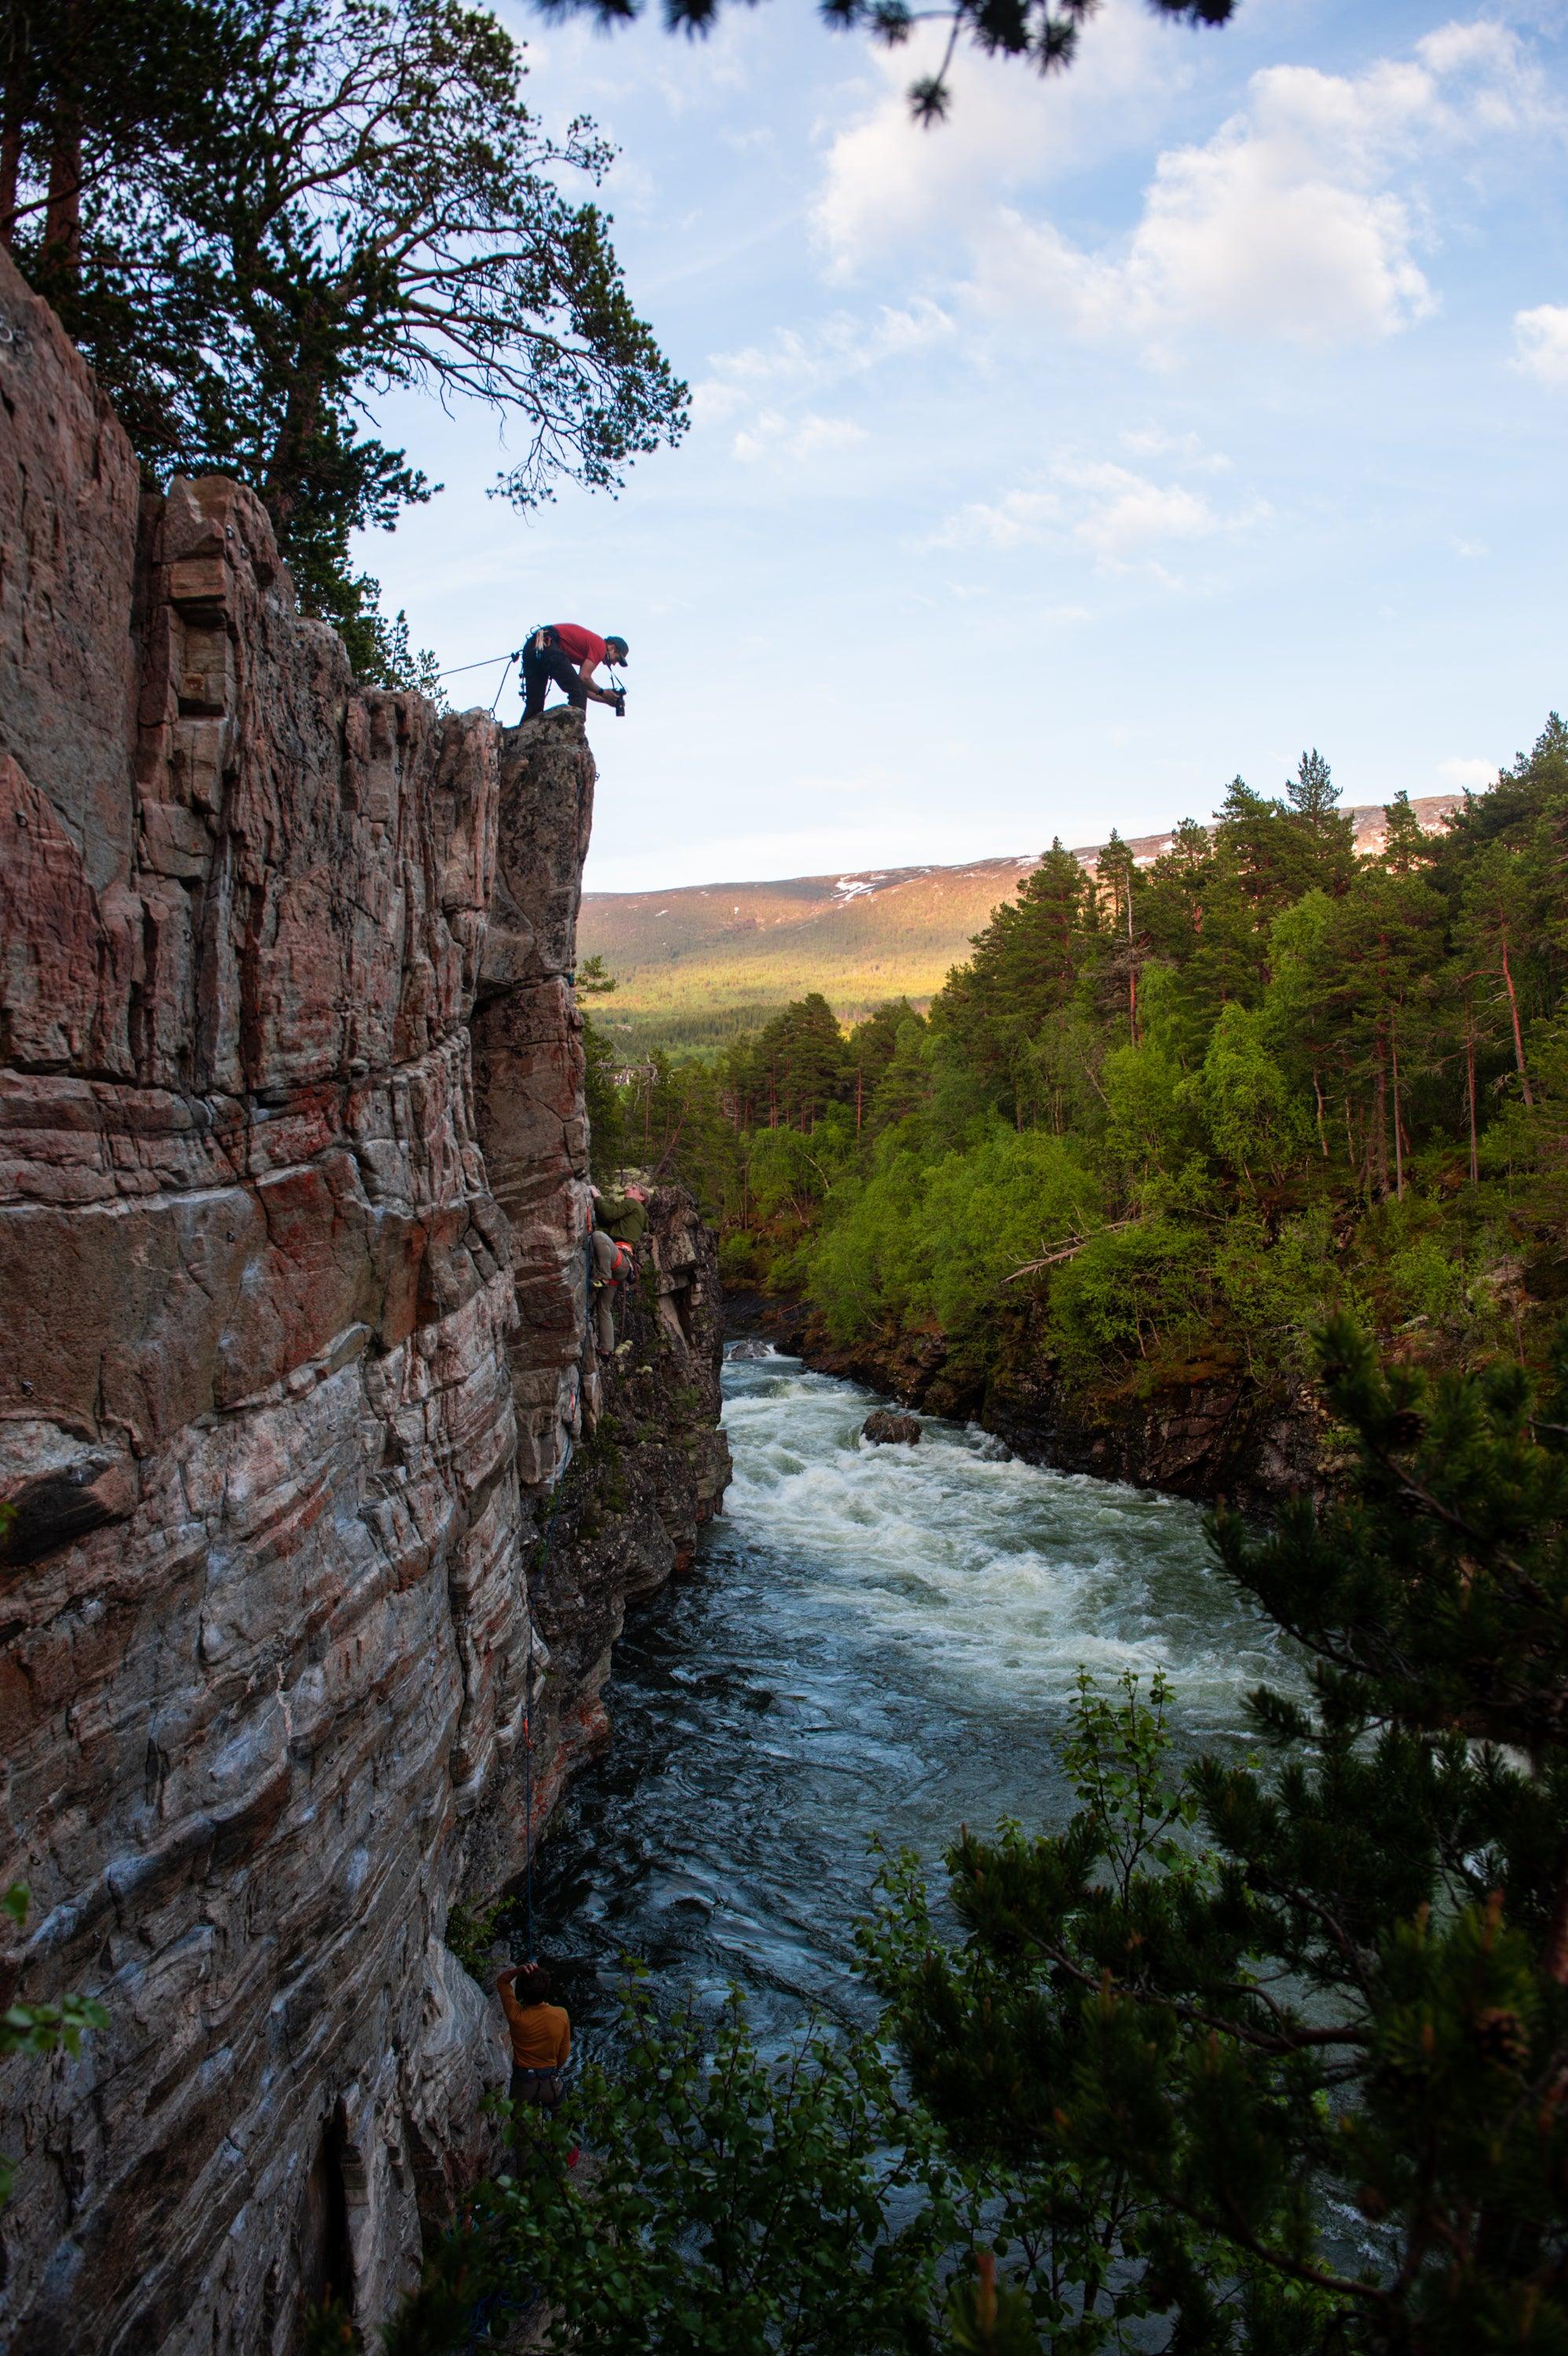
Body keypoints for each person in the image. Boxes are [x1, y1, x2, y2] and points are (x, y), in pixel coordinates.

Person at [495, 1960, 572, 2113]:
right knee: (563, 2121)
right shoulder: (561, 2015)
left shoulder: (515, 2015)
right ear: (547, 1990)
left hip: (524, 2085)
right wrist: (554, 2069)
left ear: (521, 1993)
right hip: (550, 2082)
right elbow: (564, 2052)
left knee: (523, 2127)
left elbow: (502, 1981)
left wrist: (519, 1970)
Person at [521, 623, 628, 722]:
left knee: (534, 705)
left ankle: (519, 740)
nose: (614, 664)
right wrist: (603, 692)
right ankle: (573, 734)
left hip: (533, 645)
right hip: (548, 643)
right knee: (578, 691)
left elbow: (583, 686)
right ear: (612, 647)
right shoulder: (600, 646)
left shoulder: (591, 649)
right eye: (617, 659)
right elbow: (584, 678)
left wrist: (606, 699)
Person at [589, 1183, 649, 1355]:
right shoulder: (637, 1213)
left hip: (618, 1258)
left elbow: (608, 1214)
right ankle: (607, 1349)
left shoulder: (632, 1204)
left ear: (641, 1197)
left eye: (634, 1188)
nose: (628, 1189)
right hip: (623, 1267)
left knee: (598, 1236)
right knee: (604, 1307)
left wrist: (597, 1196)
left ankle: (603, 1275)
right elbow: (606, 1219)